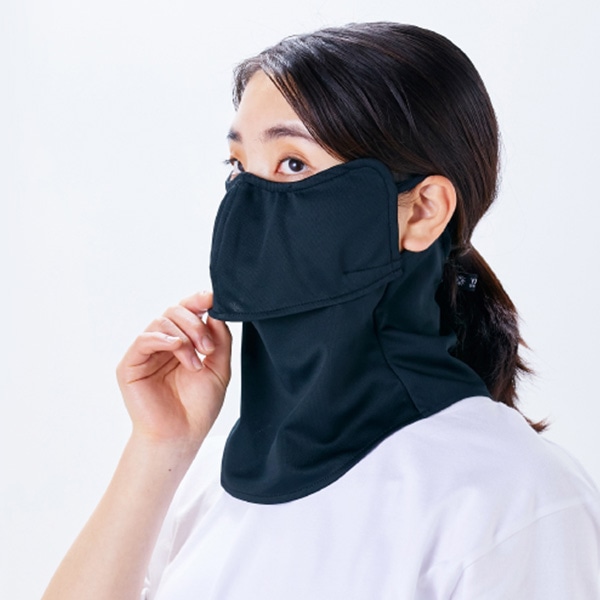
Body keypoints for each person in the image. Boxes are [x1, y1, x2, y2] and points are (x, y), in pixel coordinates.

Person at [43, 22, 600, 599]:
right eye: (238, 166)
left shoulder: (514, 501)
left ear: (422, 211)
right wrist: (157, 446)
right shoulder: (210, 482)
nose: (246, 202)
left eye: (293, 165)